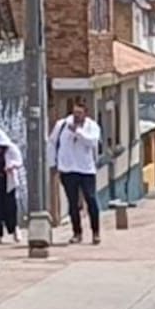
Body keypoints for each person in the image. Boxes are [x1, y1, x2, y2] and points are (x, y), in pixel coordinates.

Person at [48, 98, 102, 245]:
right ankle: (76, 232)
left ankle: (96, 232)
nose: (76, 115)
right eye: (74, 112)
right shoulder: (62, 125)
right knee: (72, 202)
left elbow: (92, 142)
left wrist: (78, 132)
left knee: (91, 199)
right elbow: (52, 143)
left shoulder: (92, 127)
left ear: (86, 113)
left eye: (80, 113)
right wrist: (53, 164)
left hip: (86, 169)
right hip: (67, 169)